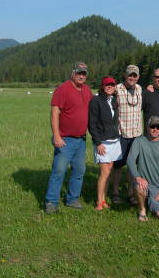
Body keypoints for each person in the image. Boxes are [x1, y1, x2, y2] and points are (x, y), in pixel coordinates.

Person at [45, 62, 93, 214]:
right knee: (59, 171)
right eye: (79, 73)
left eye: (84, 73)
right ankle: (51, 202)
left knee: (79, 170)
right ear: (72, 73)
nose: (81, 76)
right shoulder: (62, 89)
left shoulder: (86, 90)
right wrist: (57, 136)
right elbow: (54, 114)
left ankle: (72, 198)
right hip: (65, 139)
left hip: (81, 139)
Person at [127, 116, 159, 222]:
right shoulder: (139, 141)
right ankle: (142, 210)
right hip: (143, 183)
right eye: (152, 126)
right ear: (147, 127)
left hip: (158, 186)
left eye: (158, 127)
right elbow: (130, 160)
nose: (155, 129)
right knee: (140, 187)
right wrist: (138, 177)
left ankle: (150, 201)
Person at [88, 76, 121, 210]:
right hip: (103, 142)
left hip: (114, 140)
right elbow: (92, 124)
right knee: (104, 172)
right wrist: (98, 143)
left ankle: (104, 200)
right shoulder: (96, 100)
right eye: (107, 85)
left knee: (110, 171)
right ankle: (99, 201)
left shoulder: (113, 100)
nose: (110, 87)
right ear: (102, 86)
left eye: (112, 85)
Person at [112, 64, 143, 205]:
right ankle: (115, 193)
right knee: (118, 166)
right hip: (121, 134)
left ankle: (131, 193)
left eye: (134, 75)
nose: (132, 77)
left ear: (138, 77)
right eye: (130, 74)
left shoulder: (140, 89)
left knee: (132, 166)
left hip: (136, 134)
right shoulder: (116, 89)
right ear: (125, 75)